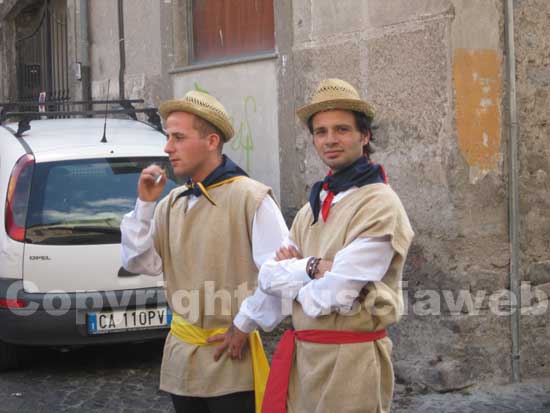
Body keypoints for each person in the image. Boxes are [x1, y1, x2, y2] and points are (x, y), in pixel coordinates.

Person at [120, 90, 288, 413]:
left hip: (231, 362)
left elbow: (280, 277)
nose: (168, 147)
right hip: (183, 363)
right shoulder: (170, 203)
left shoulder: (252, 199)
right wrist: (144, 205)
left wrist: (243, 325)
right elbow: (140, 261)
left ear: (212, 141)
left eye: (178, 137)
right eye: (168, 137)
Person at [260, 79, 414, 413]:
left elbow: (337, 295)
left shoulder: (380, 205)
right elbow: (268, 279)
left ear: (365, 136)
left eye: (342, 129)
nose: (330, 140)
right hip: (305, 364)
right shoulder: (311, 207)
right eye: (321, 131)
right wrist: (314, 268)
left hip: (352, 365)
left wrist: (296, 278)